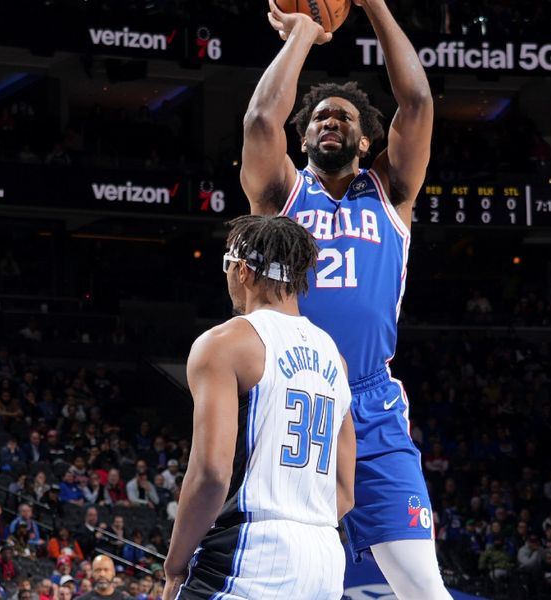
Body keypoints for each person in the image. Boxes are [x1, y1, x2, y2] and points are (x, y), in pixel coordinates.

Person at [241, 1, 445, 598]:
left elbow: (419, 104)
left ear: (366, 137)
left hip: (373, 401)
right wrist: (304, 33)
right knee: (300, 585)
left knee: (423, 587)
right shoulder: (282, 190)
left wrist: (375, 4)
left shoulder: (392, 190)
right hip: (297, 396)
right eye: (321, 116)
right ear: (303, 135)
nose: (332, 121)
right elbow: (259, 122)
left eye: (345, 117)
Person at [163, 215, 356, 599]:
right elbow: (345, 491)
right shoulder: (335, 356)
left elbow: (211, 474)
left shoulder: (224, 343)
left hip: (253, 548)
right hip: (324, 556)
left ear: (244, 269)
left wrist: (174, 566)